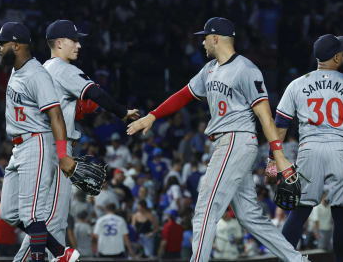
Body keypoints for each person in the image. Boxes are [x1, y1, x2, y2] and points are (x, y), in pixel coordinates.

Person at [127, 17, 309, 262]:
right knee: (249, 216)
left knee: (205, 209)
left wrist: (278, 157)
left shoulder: (246, 68)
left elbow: (265, 116)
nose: (202, 42)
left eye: (205, 37)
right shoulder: (210, 69)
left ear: (215, 38)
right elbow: (184, 94)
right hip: (228, 143)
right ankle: (298, 260)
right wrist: (153, 115)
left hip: (236, 140)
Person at [12, 19, 141, 262]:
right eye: (75, 40)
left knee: (49, 222)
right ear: (59, 43)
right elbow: (96, 93)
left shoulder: (41, 69)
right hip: (55, 148)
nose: (79, 45)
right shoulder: (63, 69)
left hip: (38, 146)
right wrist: (122, 112)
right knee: (52, 221)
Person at [276, 34, 343, 262]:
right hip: (341, 150)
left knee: (298, 213)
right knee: (341, 215)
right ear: (337, 57)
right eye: (342, 51)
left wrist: (275, 159)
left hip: (309, 150)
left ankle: (282, 259)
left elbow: (280, 126)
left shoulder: (296, 84)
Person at [0, 22, 79, 262]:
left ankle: (47, 257)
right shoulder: (17, 69)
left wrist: (62, 154)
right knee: (8, 212)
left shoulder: (37, 74)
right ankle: (60, 252)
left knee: (32, 216)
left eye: (2, 43)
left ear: (16, 45)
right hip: (20, 146)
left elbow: (56, 115)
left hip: (36, 144)